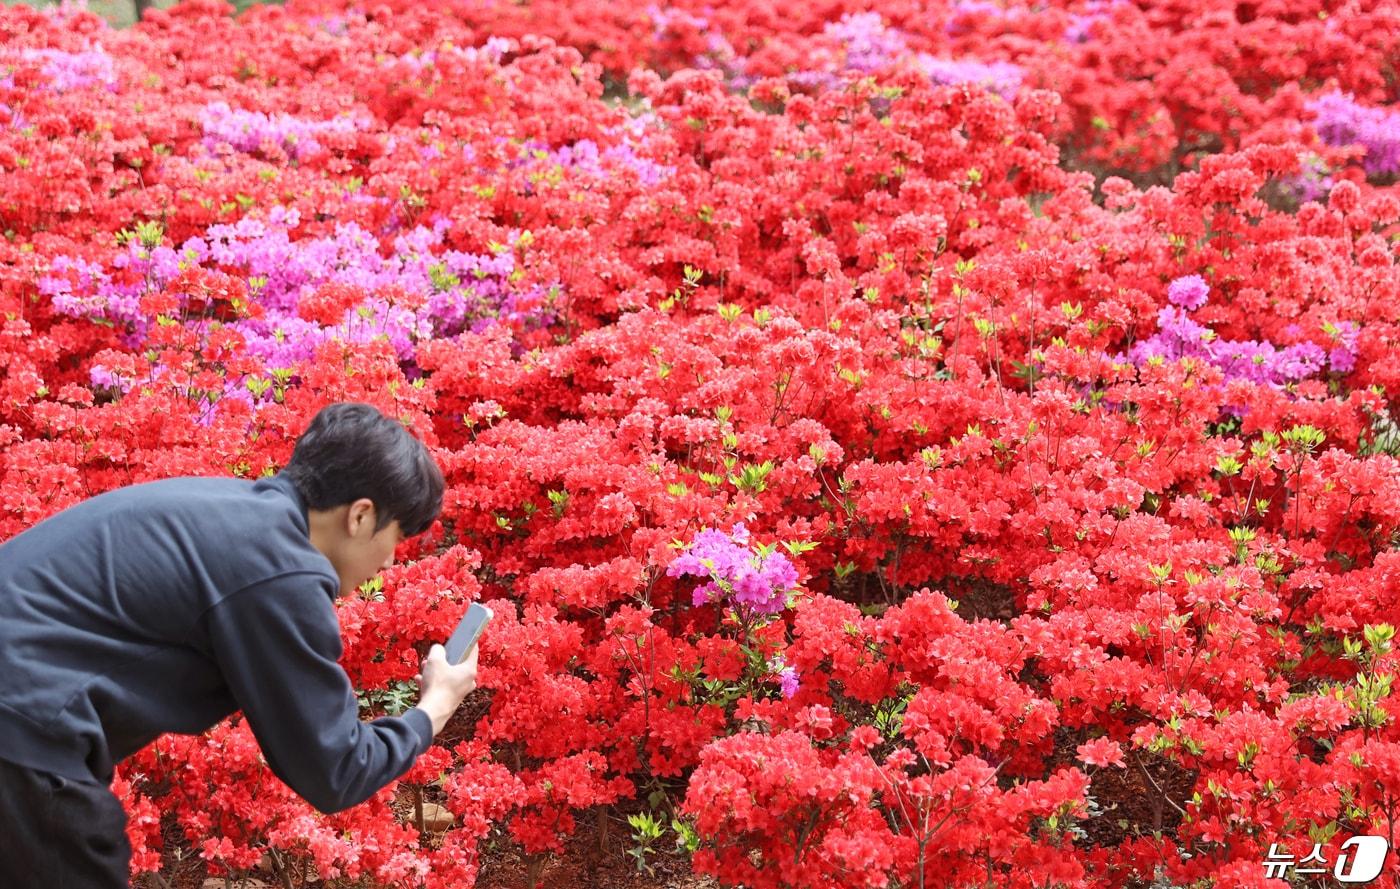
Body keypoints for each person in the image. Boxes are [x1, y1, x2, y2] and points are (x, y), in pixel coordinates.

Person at [0, 401, 481, 887]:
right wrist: (433, 708)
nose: (390, 563)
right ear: (360, 516)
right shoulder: (279, 570)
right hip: (22, 732)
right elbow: (335, 770)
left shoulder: (237, 514)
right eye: (396, 537)